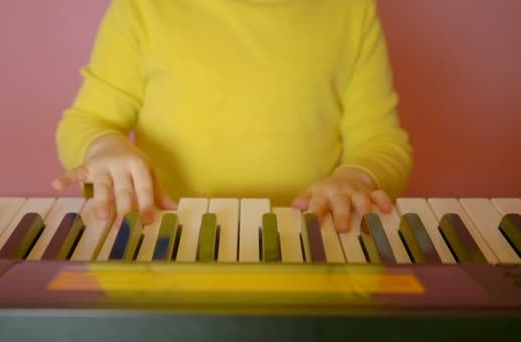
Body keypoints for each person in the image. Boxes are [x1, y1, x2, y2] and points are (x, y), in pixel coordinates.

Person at [52, 0, 413, 233]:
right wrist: (104, 147)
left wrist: (356, 177)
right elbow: (87, 120)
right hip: (168, 235)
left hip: (311, 236)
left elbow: (381, 140)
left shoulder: (351, 11)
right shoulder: (142, 9)